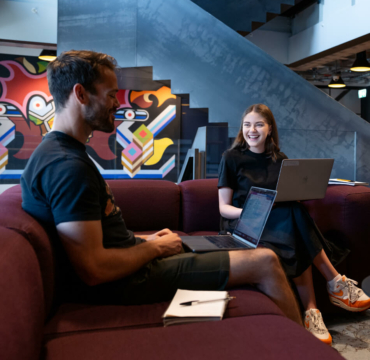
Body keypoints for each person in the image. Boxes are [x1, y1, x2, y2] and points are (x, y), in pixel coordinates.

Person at [20, 50, 303, 325]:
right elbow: (95, 268)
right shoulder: (67, 166)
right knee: (265, 260)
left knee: (201, 244)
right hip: (129, 282)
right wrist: (155, 249)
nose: (117, 104)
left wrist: (145, 240)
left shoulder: (60, 153)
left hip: (132, 269)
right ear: (80, 94)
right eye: (110, 95)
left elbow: (100, 237)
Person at [218, 103, 370, 345]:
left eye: (258, 124)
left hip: (278, 224)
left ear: (269, 129)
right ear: (242, 129)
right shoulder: (231, 158)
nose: (252, 130)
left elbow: (285, 196)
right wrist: (255, 211)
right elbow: (223, 208)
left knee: (294, 213)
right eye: (247, 125)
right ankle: (333, 286)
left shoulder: (280, 159)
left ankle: (312, 312)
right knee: (294, 221)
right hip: (244, 224)